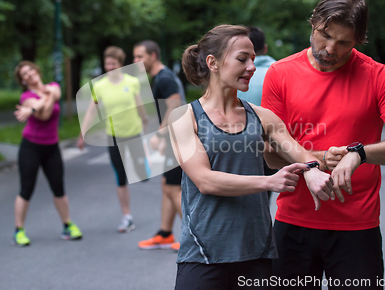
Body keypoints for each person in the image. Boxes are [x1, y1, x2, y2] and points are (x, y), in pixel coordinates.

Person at [261, 0, 385, 289]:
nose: (330, 49)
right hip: (294, 223)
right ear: (313, 23)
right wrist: (320, 160)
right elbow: (270, 155)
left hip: (357, 227)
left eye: (344, 43)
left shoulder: (379, 76)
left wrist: (359, 154)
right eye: (324, 35)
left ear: (359, 40)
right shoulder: (280, 73)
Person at [169, 24, 333, 290]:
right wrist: (268, 182)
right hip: (203, 255)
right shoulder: (183, 118)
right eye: (242, 59)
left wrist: (313, 169)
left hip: (256, 254)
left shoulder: (262, 116)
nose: (252, 67)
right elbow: (205, 181)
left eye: (253, 59)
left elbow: (296, 151)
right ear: (213, 62)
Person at [77, 46, 150, 233]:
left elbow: (139, 103)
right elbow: (92, 111)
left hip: (133, 132)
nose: (109, 66)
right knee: (120, 176)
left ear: (120, 64)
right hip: (114, 136)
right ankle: (127, 216)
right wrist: (82, 133)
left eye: (113, 63)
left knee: (140, 171)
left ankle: (143, 166)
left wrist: (145, 120)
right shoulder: (99, 86)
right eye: (107, 63)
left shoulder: (131, 82)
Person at [12, 61, 82, 247]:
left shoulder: (53, 86)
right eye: (24, 75)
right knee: (26, 189)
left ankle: (67, 225)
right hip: (31, 147)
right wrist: (43, 102)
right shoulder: (26, 96)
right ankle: (18, 231)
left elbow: (52, 97)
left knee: (58, 188)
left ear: (37, 70)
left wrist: (35, 107)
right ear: (23, 81)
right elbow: (44, 115)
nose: (29, 74)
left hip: (52, 147)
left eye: (30, 70)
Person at [133, 40, 185, 251]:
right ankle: (165, 233)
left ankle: (195, 236)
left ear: (153, 56)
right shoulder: (161, 78)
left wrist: (160, 135)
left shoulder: (164, 79)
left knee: (174, 189)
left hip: (175, 140)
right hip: (174, 139)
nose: (135, 61)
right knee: (168, 186)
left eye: (140, 57)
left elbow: (176, 106)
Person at [237, 26, 278, 193]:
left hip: (237, 147)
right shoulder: (280, 72)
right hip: (272, 145)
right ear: (265, 48)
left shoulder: (234, 74)